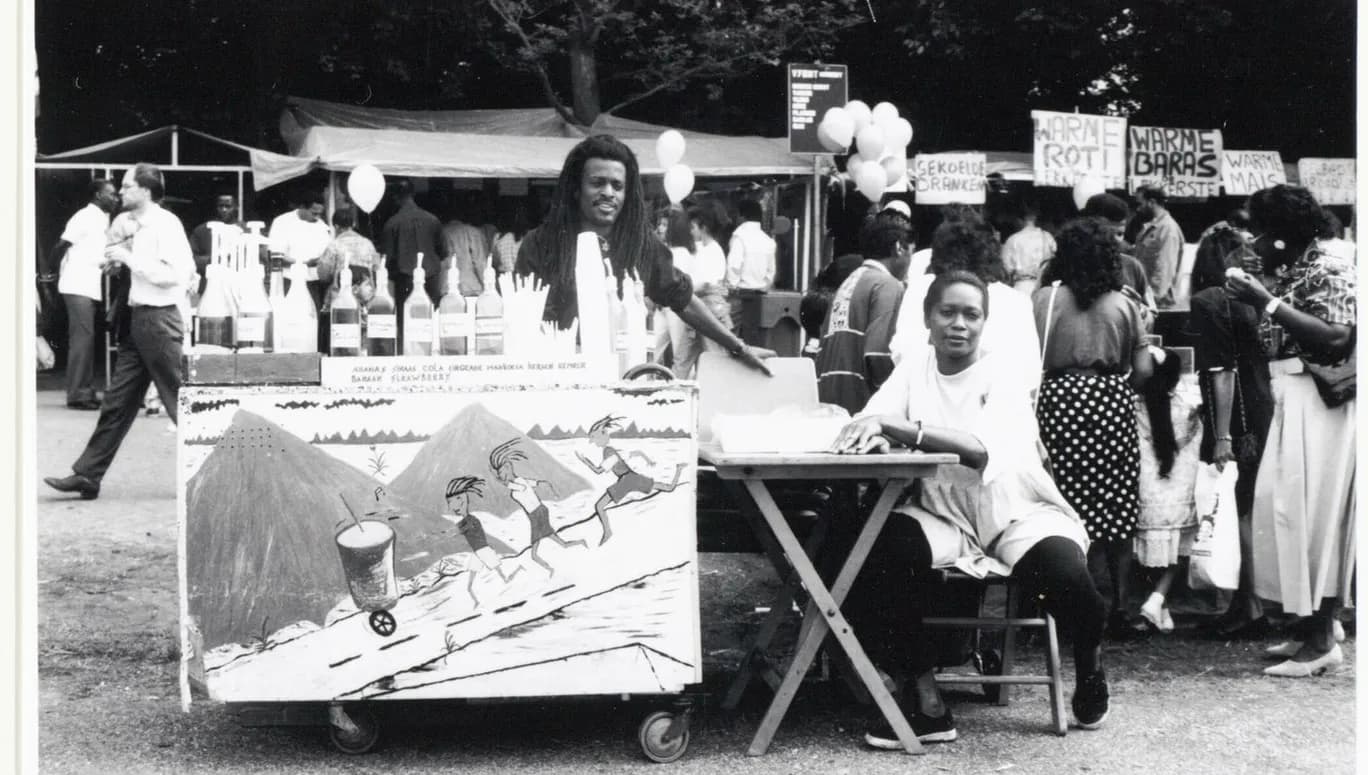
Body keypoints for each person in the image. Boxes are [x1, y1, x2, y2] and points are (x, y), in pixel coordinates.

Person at [834, 271, 1109, 747]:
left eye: (971, 314)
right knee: (876, 555)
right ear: (927, 318)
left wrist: (900, 429)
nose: (958, 324)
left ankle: (1089, 666)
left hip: (1014, 508)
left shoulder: (1002, 372)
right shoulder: (916, 367)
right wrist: (873, 432)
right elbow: (871, 417)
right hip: (944, 510)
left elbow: (981, 451)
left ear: (984, 322)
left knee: (1068, 578)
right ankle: (927, 702)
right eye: (948, 312)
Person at [1223, 185, 1355, 677]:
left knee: (1315, 515)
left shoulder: (1332, 265)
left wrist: (1267, 301)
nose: (1254, 238)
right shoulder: (1301, 265)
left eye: (1261, 228)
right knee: (1287, 509)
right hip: (1295, 398)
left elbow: (1339, 337)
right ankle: (1310, 628)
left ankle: (1322, 640)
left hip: (1320, 404)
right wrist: (1266, 292)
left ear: (1283, 231)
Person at [513, 134, 769, 375]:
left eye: (617, 185)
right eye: (597, 182)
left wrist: (738, 348)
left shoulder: (641, 244)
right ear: (576, 189)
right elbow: (523, 322)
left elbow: (684, 299)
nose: (608, 193)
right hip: (558, 381)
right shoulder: (540, 243)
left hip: (623, 380)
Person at [44, 164, 195, 500]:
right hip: (139, 321)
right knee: (117, 403)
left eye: (127, 186)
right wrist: (119, 264)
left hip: (159, 320)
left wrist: (128, 259)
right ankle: (87, 474)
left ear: (145, 190)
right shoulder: (138, 227)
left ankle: (216, 470)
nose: (121, 192)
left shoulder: (165, 225)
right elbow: (145, 271)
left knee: (178, 400)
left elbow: (176, 275)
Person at [1033, 218, 1153, 639]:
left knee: (1058, 503)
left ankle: (1054, 610)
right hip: (1109, 405)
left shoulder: (1044, 299)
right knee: (1117, 508)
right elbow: (1141, 370)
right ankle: (1120, 607)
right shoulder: (1125, 305)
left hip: (1057, 402)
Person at [1185, 218, 1274, 638]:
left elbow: (1220, 371)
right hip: (1263, 402)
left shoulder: (1207, 300)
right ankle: (1253, 603)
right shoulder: (1254, 298)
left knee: (1238, 506)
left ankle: (1249, 606)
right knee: (1251, 505)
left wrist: (1221, 435)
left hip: (1236, 415)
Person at [889, 210, 1040, 398]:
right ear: (992, 252)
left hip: (925, 409)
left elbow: (902, 352)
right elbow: (1029, 375)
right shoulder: (1016, 302)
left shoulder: (920, 289)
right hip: (992, 412)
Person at [1133, 347, 1203, 633]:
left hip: (1149, 495)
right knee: (1177, 550)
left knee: (1154, 552)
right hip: (1178, 493)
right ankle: (1159, 599)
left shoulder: (1136, 406)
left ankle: (1159, 605)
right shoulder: (1186, 406)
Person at [815, 216, 910, 415]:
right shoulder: (887, 285)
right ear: (899, 247)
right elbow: (877, 354)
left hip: (831, 400)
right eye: (912, 251)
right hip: (861, 406)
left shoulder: (850, 281)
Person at [42, 178, 119, 410]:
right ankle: (77, 395)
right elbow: (61, 245)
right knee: (82, 340)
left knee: (86, 338)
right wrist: (49, 275)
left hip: (87, 285)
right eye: (111, 194)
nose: (115, 198)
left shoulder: (101, 219)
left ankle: (84, 390)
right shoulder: (84, 216)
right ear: (98, 195)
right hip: (77, 285)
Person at [575, 414, 688, 545]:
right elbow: (637, 453)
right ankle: (679, 470)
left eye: (593, 438)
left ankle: (607, 532)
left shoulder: (608, 452)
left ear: (603, 434)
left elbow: (598, 471)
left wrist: (584, 461)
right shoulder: (616, 451)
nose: (592, 442)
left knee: (599, 506)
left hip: (626, 481)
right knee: (669, 488)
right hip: (633, 477)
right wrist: (648, 460)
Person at [489, 439, 588, 576]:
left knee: (534, 554)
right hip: (537, 514)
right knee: (558, 544)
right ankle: (579, 544)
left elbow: (515, 486)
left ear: (507, 468)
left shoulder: (519, 482)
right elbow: (538, 483)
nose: (500, 476)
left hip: (537, 515)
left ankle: (551, 570)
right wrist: (548, 486)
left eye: (501, 472)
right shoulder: (521, 481)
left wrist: (496, 479)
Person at [438, 476, 523, 608]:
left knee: (504, 577)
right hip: (477, 553)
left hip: (484, 551)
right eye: (449, 502)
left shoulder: (471, 520)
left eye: (453, 501)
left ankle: (521, 571)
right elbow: (454, 530)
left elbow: (458, 530)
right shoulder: (464, 521)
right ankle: (476, 603)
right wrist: (442, 534)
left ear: (462, 501)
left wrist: (447, 534)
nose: (451, 506)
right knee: (470, 585)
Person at [1073, 193, 1156, 320]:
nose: (1115, 240)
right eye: (1106, 233)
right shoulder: (1063, 265)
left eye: (1119, 234)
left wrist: (1139, 310)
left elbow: (1152, 314)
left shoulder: (1133, 267)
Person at [383, 178, 449, 313]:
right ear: (413, 194)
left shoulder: (392, 224)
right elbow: (442, 252)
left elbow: (388, 259)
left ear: (395, 197)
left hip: (405, 280)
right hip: (431, 278)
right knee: (429, 321)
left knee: (406, 323)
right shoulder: (432, 220)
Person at [317, 207, 380, 342]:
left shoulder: (334, 245)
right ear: (353, 224)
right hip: (365, 298)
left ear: (336, 226)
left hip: (340, 300)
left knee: (340, 337)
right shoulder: (368, 244)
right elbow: (377, 268)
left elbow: (323, 274)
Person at [267, 189, 332, 307]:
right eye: (314, 213)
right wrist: (303, 263)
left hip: (313, 283)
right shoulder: (282, 222)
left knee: (312, 319)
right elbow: (276, 255)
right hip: (288, 280)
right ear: (302, 207)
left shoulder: (323, 227)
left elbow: (327, 255)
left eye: (320, 214)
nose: (317, 217)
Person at [1132, 185, 1185, 308]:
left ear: (1151, 202)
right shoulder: (1152, 227)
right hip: (1146, 297)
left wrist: (1152, 300)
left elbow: (1164, 268)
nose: (1138, 209)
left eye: (1140, 204)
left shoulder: (1167, 229)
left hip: (1158, 302)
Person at [188, 193, 245, 298]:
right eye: (221, 206)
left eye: (228, 206)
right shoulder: (202, 230)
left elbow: (260, 260)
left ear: (236, 207)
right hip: (210, 290)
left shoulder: (246, 232)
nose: (224, 210)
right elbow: (189, 259)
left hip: (241, 290)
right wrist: (211, 260)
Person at [1000, 198, 1055, 295]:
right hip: (1043, 287)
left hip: (1020, 287)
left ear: (1019, 220)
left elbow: (1006, 269)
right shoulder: (1048, 237)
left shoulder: (1012, 240)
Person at [442, 193, 492, 298]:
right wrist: (490, 290)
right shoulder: (473, 232)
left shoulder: (440, 233)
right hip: (470, 288)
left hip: (445, 289)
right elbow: (481, 263)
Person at [726, 198, 776, 293]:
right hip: (762, 293)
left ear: (742, 216)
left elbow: (734, 265)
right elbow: (771, 272)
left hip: (741, 292)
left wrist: (732, 286)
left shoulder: (740, 237)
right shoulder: (768, 240)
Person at [491, 198, 532, 276]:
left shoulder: (498, 237)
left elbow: (494, 261)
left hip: (507, 276)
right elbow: (508, 264)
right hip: (513, 277)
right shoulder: (511, 237)